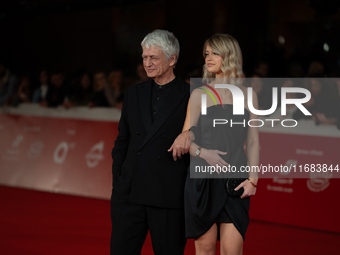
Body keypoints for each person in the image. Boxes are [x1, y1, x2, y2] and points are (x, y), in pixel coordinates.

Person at [173, 34, 259, 254]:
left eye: (214, 53)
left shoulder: (249, 95)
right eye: (206, 53)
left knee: (232, 251)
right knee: (206, 249)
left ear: (229, 56)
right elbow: (185, 141)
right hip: (203, 180)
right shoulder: (199, 95)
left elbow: (253, 142)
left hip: (235, 181)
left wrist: (253, 180)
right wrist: (204, 153)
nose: (208, 58)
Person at [110, 29, 190, 255]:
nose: (147, 63)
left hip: (168, 194)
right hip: (129, 191)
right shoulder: (134, 93)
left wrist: (191, 133)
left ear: (172, 59)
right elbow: (122, 140)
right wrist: (119, 176)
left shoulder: (191, 95)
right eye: (144, 57)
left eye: (153, 57)